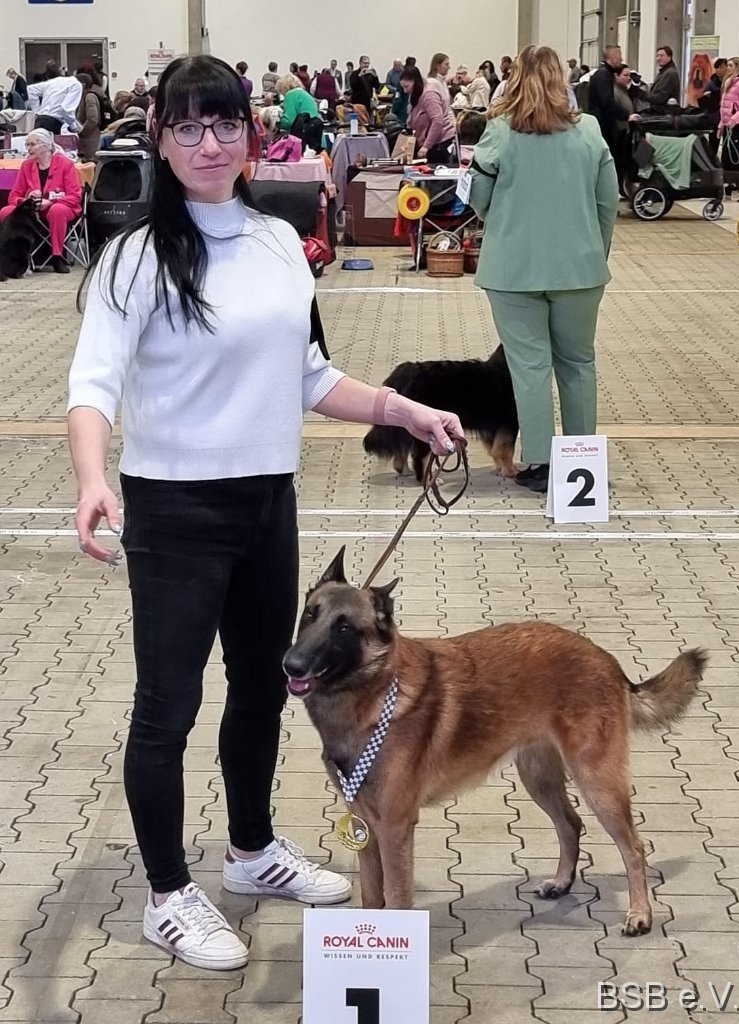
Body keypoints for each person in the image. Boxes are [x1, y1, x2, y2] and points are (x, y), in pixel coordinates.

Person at [66, 53, 463, 973]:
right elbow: (92, 386)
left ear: (251, 134)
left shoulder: (282, 240)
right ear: (159, 139)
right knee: (166, 709)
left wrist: (402, 408)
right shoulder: (134, 258)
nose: (208, 143)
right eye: (187, 126)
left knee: (262, 690)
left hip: (266, 504)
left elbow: (309, 376)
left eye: (225, 124)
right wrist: (92, 477)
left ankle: (250, 852)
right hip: (173, 513)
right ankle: (168, 894)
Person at [469, 45, 617, 495]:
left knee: (529, 367)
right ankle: (582, 462)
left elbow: (477, 197)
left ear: (514, 79)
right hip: (580, 269)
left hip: (512, 270)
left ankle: (540, 463)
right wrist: (595, 252)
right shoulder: (589, 131)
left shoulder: (499, 130)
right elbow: (607, 203)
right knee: (578, 364)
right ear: (562, 80)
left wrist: (502, 221)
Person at [0, 128, 82, 273]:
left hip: (61, 207)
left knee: (57, 211)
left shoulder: (65, 164)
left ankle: (57, 257)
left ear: (46, 145)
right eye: (27, 145)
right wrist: (27, 200)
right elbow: (13, 196)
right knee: (6, 211)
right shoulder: (26, 166)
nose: (29, 148)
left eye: (32, 144)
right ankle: (9, 256)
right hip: (33, 210)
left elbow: (75, 196)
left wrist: (50, 202)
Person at [400, 65, 456, 163]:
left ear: (416, 82)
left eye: (406, 86)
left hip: (441, 142)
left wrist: (427, 145)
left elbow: (437, 121)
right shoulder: (417, 93)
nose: (405, 90)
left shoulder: (429, 95)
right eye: (403, 87)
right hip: (432, 142)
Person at [718, 57, 739, 180]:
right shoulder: (729, 82)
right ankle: (728, 185)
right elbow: (725, 107)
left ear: (738, 67)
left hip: (738, 126)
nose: (728, 68)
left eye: (730, 65)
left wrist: (734, 119)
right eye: (727, 65)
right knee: (727, 157)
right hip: (728, 126)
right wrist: (721, 125)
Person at [588, 45, 625, 147]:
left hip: (603, 122)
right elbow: (607, 102)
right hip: (603, 124)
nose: (621, 59)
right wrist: (626, 114)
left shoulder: (606, 73)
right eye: (619, 55)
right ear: (612, 57)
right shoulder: (603, 75)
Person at [645, 46, 681, 112]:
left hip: (664, 113)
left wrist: (642, 95)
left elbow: (661, 98)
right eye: (657, 56)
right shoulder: (664, 72)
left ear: (669, 57)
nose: (658, 58)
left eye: (662, 56)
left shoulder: (670, 73)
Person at [75, 74, 102, 161]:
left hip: (90, 139)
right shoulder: (88, 96)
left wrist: (81, 131)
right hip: (90, 138)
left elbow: (92, 119)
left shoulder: (89, 97)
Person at [348, 56, 379, 122]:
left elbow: (377, 86)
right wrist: (359, 75)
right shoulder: (355, 73)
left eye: (368, 63)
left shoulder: (370, 74)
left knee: (369, 121)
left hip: (368, 103)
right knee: (359, 121)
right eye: (365, 63)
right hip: (358, 103)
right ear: (360, 63)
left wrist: (375, 77)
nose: (366, 65)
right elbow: (353, 85)